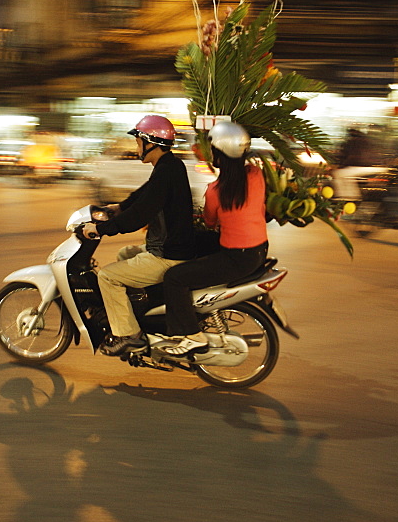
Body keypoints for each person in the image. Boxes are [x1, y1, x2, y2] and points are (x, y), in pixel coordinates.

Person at [82, 114, 195, 356]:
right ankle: (141, 314)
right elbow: (144, 196)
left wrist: (100, 230)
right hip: (173, 247)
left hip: (167, 255)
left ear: (151, 142)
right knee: (125, 253)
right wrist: (118, 207)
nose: (137, 147)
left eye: (138, 142)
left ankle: (130, 335)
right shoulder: (170, 166)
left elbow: (139, 215)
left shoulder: (166, 171)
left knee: (107, 277)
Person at [157, 119, 268, 357]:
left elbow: (209, 222)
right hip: (258, 251)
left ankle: (191, 335)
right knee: (194, 243)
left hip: (236, 258)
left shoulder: (216, 190)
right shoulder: (256, 175)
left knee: (174, 278)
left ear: (219, 154)